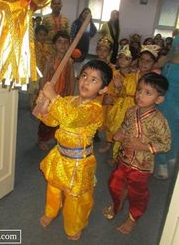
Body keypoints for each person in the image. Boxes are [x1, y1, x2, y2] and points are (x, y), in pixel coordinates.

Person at [36, 60, 113, 240]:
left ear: (103, 90)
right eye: (85, 76)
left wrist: (54, 97)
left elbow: (71, 118)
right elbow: (53, 121)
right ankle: (51, 211)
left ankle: (74, 225)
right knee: (53, 187)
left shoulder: (95, 109)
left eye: (94, 80)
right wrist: (44, 105)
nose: (86, 82)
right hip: (59, 156)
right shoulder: (70, 100)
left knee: (75, 198)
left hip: (79, 163)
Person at [103, 72, 171, 234]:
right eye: (139, 90)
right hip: (124, 158)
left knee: (137, 194)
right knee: (115, 183)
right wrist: (119, 132)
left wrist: (144, 146)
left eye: (148, 93)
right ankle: (117, 204)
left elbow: (166, 144)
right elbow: (126, 125)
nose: (140, 95)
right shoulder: (131, 111)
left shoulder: (158, 120)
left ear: (159, 99)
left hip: (141, 166)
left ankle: (133, 218)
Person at [37, 31, 75, 150]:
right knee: (46, 119)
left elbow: (72, 79)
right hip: (49, 95)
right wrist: (42, 93)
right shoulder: (50, 60)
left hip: (63, 95)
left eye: (65, 42)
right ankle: (43, 138)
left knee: (60, 118)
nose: (63, 45)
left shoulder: (70, 61)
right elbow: (44, 77)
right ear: (54, 45)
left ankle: (57, 137)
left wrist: (71, 96)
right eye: (59, 42)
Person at [154, 34, 179, 179]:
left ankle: (170, 157)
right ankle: (162, 161)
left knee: (173, 127)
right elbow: (165, 60)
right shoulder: (176, 40)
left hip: (174, 96)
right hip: (167, 95)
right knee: (164, 127)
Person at [28, 24, 50, 109]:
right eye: (40, 34)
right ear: (36, 35)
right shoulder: (32, 45)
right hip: (34, 70)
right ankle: (31, 105)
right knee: (34, 88)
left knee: (41, 87)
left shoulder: (46, 46)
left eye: (45, 35)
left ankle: (36, 103)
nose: (43, 37)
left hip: (43, 71)